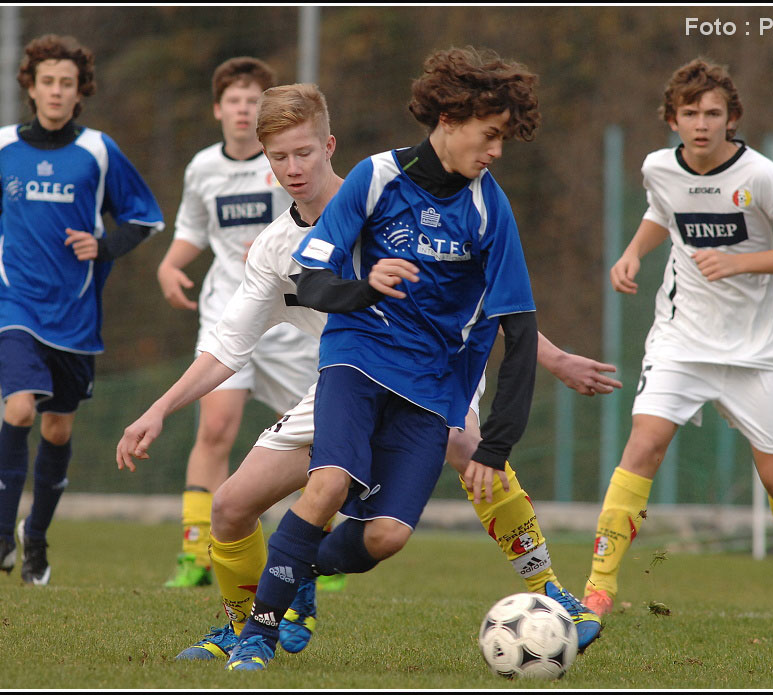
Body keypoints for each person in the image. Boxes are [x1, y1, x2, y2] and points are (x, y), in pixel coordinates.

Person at [117, 81, 621, 666]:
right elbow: (228, 348)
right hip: (347, 378)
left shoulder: (383, 200)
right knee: (230, 506)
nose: (294, 168)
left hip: (430, 371)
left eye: (304, 152)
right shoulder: (275, 250)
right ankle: (241, 625)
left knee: (467, 445)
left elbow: (476, 298)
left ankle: (550, 590)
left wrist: (553, 358)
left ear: (329, 146)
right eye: (279, 157)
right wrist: (159, 409)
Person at [214, 46, 575, 672]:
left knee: (387, 536)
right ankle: (256, 639)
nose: (496, 150)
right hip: (356, 357)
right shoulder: (376, 176)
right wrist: (367, 286)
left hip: (431, 384)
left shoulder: (490, 208)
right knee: (327, 483)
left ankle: (297, 566)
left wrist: (496, 445)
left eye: (502, 138)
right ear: (449, 119)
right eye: (490, 135)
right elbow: (315, 282)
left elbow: (518, 329)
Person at [581, 58, 773, 623]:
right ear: (672, 119)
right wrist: (632, 252)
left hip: (758, 351)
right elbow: (662, 211)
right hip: (681, 338)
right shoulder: (658, 167)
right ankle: (598, 586)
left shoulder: (764, 178)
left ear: (731, 118)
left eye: (713, 113)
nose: (701, 123)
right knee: (643, 445)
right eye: (690, 113)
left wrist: (741, 263)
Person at [0, 34, 164, 585]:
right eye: (46, 81)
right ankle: (1, 538)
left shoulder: (98, 150)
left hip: (74, 311)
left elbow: (145, 218)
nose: (55, 91)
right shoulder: (3, 144)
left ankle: (36, 539)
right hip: (14, 299)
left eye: (66, 83)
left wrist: (104, 245)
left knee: (56, 429)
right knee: (20, 409)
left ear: (80, 92)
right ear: (30, 87)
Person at [155, 57, 320, 588]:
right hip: (230, 309)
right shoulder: (203, 167)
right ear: (218, 110)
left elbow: (310, 222)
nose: (243, 109)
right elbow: (192, 228)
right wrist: (170, 264)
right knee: (216, 427)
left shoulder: (290, 160)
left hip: (293, 315)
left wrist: (275, 249)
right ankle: (195, 551)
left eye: (253, 100)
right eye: (234, 100)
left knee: (313, 436)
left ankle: (315, 546)